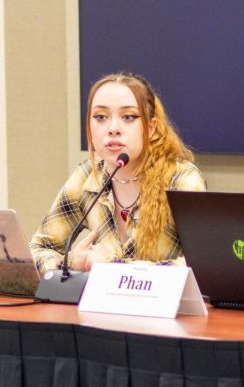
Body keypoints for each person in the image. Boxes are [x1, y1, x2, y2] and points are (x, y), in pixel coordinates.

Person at [30, 72, 206, 273]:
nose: (113, 128)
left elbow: (203, 268)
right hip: (99, 304)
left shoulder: (181, 180)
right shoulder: (88, 176)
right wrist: (72, 262)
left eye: (128, 117)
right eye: (101, 117)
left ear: (151, 127)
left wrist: (112, 268)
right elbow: (37, 250)